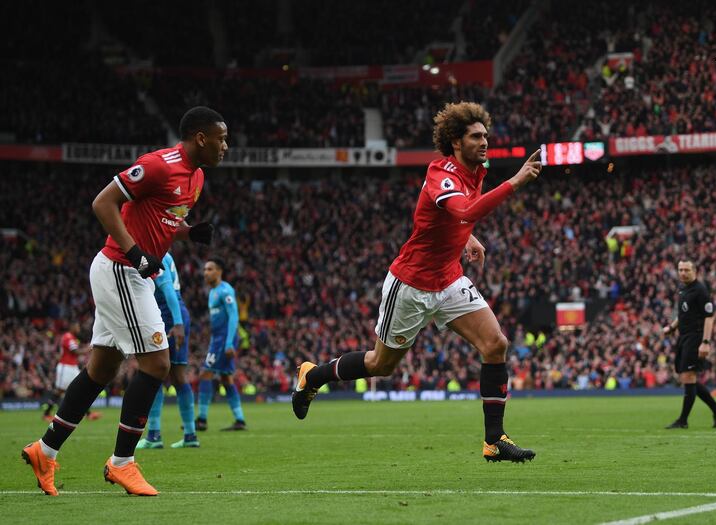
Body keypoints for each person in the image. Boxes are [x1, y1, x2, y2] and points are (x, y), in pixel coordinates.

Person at [292, 102, 541, 463]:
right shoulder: (442, 173)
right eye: (476, 136)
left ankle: (493, 440)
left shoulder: (477, 169)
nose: (484, 142)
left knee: (495, 344)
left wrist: (467, 237)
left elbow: (455, 215)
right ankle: (313, 376)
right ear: (456, 141)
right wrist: (515, 181)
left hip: (450, 278)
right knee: (381, 365)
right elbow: (465, 209)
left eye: (486, 135)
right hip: (412, 283)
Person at [21, 106, 227, 496]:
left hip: (133, 273)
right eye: (222, 138)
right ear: (201, 137)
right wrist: (135, 254)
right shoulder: (158, 166)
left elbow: (159, 220)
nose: (226, 147)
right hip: (121, 269)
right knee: (157, 363)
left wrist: (187, 234)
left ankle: (44, 451)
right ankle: (122, 463)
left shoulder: (196, 177)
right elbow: (103, 203)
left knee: (100, 370)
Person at [136, 252, 199, 450]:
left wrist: (177, 322)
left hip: (167, 314)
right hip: (173, 312)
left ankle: (154, 435)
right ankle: (190, 434)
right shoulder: (163, 253)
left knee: (155, 373)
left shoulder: (156, 253)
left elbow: (167, 288)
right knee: (178, 376)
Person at [662, 259, 716, 429]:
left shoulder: (700, 291)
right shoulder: (683, 290)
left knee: (689, 376)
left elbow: (709, 317)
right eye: (680, 270)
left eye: (686, 270)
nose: (683, 273)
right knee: (687, 377)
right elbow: (683, 314)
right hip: (684, 337)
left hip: (696, 337)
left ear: (695, 271)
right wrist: (672, 327)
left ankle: (683, 420)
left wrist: (705, 342)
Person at [196, 258, 246, 431]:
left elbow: (234, 317)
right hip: (218, 338)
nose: (205, 273)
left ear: (219, 271)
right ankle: (240, 420)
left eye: (209, 269)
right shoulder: (212, 292)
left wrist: (229, 343)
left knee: (205, 374)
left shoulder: (225, 291)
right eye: (204, 269)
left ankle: (201, 419)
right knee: (226, 378)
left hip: (225, 339)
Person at [42, 322, 101, 422]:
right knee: (59, 390)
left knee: (81, 389)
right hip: (66, 367)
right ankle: (46, 414)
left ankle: (88, 414)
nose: (78, 328)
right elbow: (75, 351)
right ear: (72, 326)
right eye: (77, 326)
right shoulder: (68, 336)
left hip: (72, 367)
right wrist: (89, 349)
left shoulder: (72, 337)